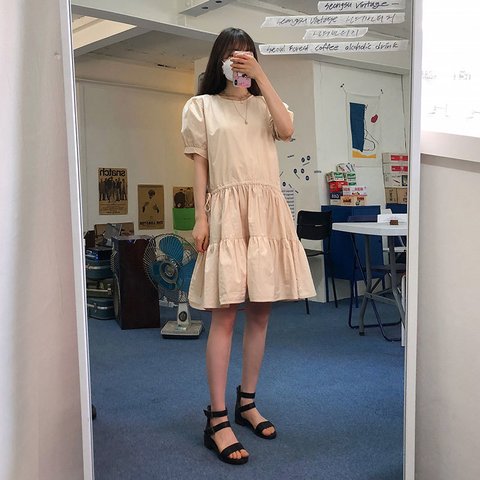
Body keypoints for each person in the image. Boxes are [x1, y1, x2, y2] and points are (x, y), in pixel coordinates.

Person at [181, 27, 316, 465]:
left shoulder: (265, 105)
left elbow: (287, 129)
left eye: (247, 56)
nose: (239, 63)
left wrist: (262, 77)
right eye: (233, 56)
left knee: (260, 312)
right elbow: (200, 167)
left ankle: (247, 402)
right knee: (224, 316)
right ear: (219, 60)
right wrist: (201, 216)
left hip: (266, 212)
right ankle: (217, 418)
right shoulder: (201, 106)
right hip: (225, 212)